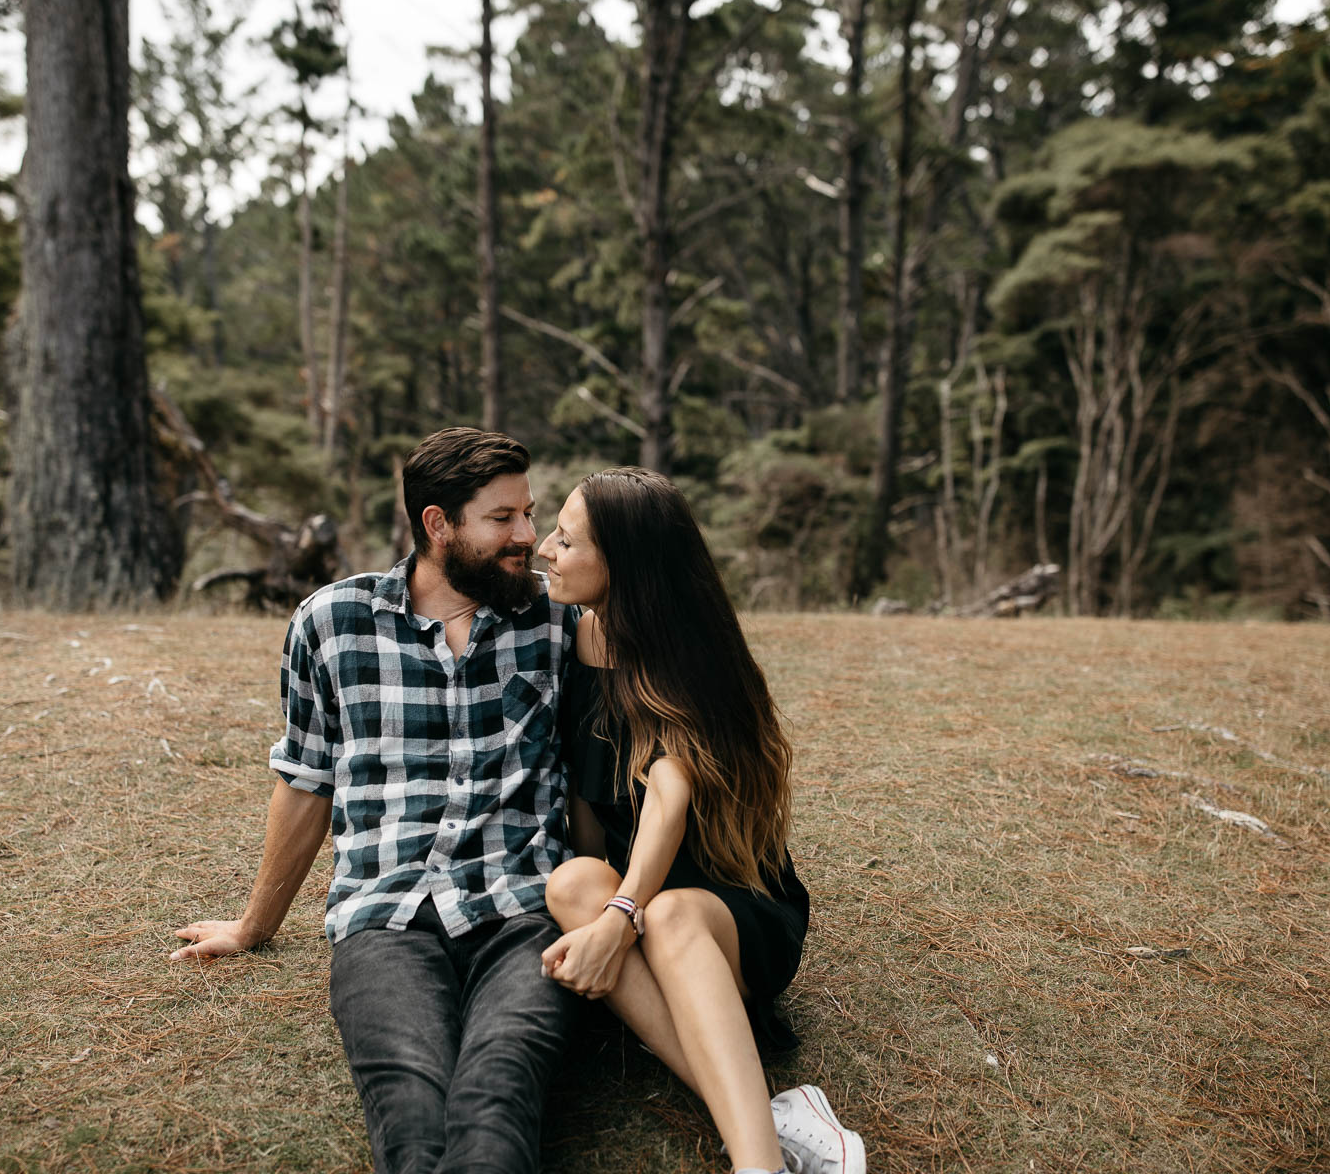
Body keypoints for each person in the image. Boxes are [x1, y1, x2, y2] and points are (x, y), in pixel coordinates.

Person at [169, 427, 576, 1174]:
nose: (529, 536)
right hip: (383, 915)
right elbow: (305, 780)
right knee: (409, 1100)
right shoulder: (331, 623)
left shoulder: (557, 622)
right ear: (437, 524)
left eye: (529, 512)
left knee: (500, 1089)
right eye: (503, 519)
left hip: (525, 908)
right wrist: (254, 926)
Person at [535, 466, 865, 1174]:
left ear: (620, 564)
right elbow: (592, 812)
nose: (543, 549)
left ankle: (759, 1166)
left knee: (675, 913)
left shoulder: (688, 658)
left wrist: (622, 914)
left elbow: (667, 795)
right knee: (569, 884)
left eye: (565, 540)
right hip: (643, 900)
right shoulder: (576, 639)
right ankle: (777, 1120)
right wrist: (600, 904)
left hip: (733, 911)